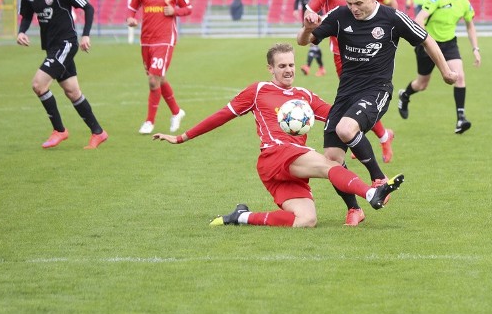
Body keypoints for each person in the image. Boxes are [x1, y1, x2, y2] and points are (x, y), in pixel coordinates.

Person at [152, 43, 404, 228]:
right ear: (270, 68)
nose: (288, 70)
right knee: (330, 164)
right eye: (282, 66)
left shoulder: (305, 96)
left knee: (306, 220)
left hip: (291, 165)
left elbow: (343, 117)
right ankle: (371, 193)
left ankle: (241, 216)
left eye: (291, 65)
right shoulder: (258, 91)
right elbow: (222, 115)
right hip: (274, 155)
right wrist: (183, 137)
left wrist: (377, 134)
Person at [298, 0, 458, 226]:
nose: (354, 8)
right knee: (331, 159)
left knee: (345, 129)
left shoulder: (391, 19)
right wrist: (308, 27)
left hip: (377, 89)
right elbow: (304, 41)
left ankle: (379, 178)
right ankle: (354, 209)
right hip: (346, 93)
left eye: (359, 3)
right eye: (350, 3)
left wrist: (446, 71)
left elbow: (426, 38)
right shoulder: (340, 15)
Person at [304, 0, 396, 162]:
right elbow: (310, 9)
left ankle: (377, 137)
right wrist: (310, 19)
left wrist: (391, 34)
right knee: (356, 98)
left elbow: (392, 5)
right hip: (341, 54)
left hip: (371, 55)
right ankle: (381, 136)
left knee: (360, 98)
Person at [16, 0, 108, 149]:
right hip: (52, 47)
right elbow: (26, 15)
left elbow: (88, 7)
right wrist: (21, 32)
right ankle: (98, 132)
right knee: (73, 92)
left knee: (38, 85)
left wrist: (85, 35)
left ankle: (59, 130)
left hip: (66, 44)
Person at [396, 0, 480, 134]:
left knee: (460, 76)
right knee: (421, 84)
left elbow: (470, 26)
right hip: (428, 43)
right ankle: (405, 95)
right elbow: (420, 18)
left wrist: (475, 49)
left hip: (449, 44)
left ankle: (460, 119)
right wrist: (425, 41)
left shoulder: (464, 3)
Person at [126, 0, 192, 135]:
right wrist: (130, 18)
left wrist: (175, 11)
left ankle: (149, 121)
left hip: (165, 40)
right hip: (146, 40)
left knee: (153, 79)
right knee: (159, 78)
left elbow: (189, 7)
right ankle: (177, 112)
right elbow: (132, 8)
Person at [293, 0, 325, 76]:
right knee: (314, 44)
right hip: (306, 20)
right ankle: (321, 68)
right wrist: (295, 10)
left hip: (318, 19)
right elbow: (297, 0)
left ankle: (307, 66)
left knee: (313, 43)